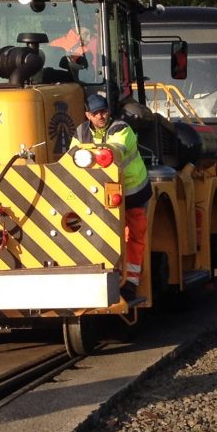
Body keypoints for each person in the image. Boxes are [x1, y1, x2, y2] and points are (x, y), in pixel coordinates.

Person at [71, 93, 151, 302]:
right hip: (101, 194)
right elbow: (71, 158)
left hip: (132, 192)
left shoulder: (120, 128)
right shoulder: (81, 132)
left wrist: (93, 154)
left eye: (104, 111)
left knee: (134, 236)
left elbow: (116, 150)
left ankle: (130, 283)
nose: (101, 116)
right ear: (87, 114)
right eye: (96, 113)